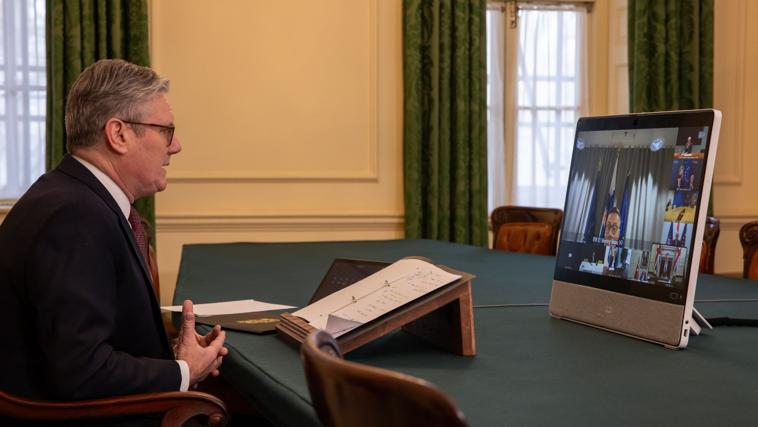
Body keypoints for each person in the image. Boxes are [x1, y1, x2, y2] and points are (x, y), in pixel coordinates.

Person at [0, 59, 227, 405]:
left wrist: (174, 355)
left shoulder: (77, 197)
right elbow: (82, 372)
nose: (176, 145)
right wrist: (183, 370)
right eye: (166, 130)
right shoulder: (74, 217)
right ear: (118, 134)